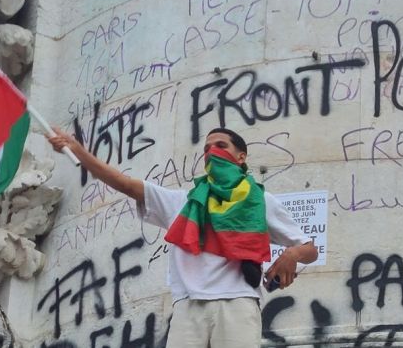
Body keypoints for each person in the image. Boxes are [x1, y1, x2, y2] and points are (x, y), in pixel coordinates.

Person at [47, 126, 318, 348]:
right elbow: (124, 183)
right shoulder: (182, 203)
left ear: (241, 157)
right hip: (188, 308)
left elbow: (309, 248)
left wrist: (291, 255)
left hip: (237, 304)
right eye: (207, 149)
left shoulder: (261, 202)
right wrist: (79, 152)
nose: (212, 152)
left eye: (221, 146)